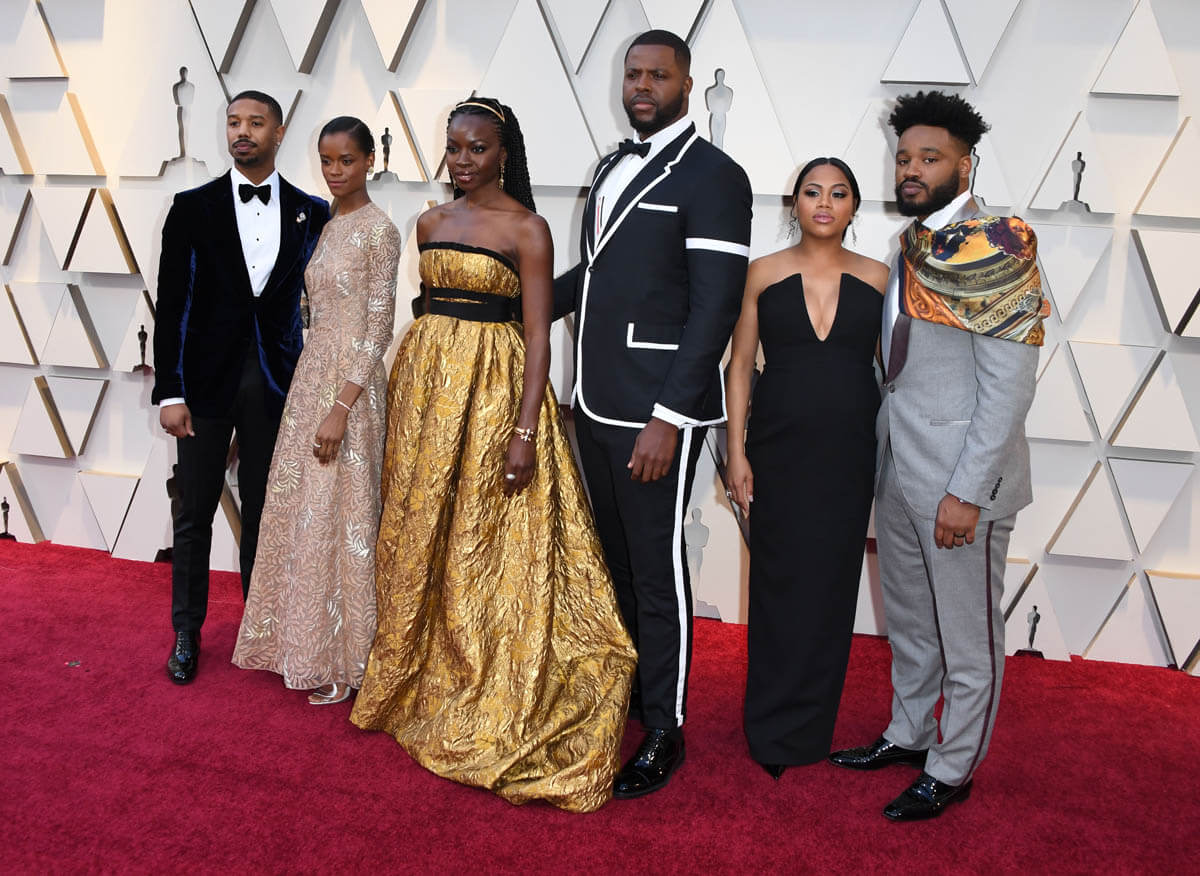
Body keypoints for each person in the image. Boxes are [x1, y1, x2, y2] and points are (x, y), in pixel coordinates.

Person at [349, 97, 636, 813]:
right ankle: (413, 669)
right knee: (421, 531)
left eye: (477, 148)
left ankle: (485, 677)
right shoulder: (429, 222)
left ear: (504, 153)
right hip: (426, 392)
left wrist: (526, 431)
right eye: (454, 147)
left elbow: (538, 335)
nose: (463, 160)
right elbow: (427, 314)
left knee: (485, 536)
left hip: (494, 394)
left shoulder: (527, 229)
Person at [829, 91, 1044, 821]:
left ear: (965, 165)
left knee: (968, 636)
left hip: (960, 482)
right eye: (903, 158)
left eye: (930, 158)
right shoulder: (912, 245)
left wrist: (969, 491)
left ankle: (954, 768)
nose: (911, 170)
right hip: (900, 465)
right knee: (913, 623)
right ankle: (910, 733)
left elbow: (1009, 386)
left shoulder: (999, 246)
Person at [553, 29, 752, 799]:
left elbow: (715, 307)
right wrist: (513, 303)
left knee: (658, 570)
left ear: (686, 84)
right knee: (619, 564)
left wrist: (668, 416)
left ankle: (666, 729)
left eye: (657, 75)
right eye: (633, 74)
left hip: (654, 411)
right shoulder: (611, 166)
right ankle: (634, 698)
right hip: (595, 399)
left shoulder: (715, 176)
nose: (641, 86)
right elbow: (596, 274)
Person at [153, 90, 330, 685]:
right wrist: (170, 392)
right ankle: (186, 632)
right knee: (194, 513)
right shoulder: (191, 207)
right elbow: (172, 306)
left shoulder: (312, 212)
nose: (242, 132)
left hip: (278, 386)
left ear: (278, 133)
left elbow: (325, 305)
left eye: (255, 123)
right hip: (204, 385)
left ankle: (262, 630)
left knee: (266, 513)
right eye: (234, 122)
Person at [725, 157, 887, 778]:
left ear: (854, 206)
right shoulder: (762, 272)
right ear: (794, 202)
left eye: (838, 193)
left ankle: (813, 724)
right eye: (813, 192)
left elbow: (896, 374)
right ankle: (769, 723)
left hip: (849, 451)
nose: (824, 203)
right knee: (777, 584)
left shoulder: (880, 277)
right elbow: (740, 367)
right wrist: (736, 451)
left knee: (832, 585)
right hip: (776, 448)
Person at [232, 117, 399, 704]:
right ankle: (300, 641)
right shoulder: (325, 225)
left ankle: (347, 653)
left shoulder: (380, 231)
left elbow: (379, 327)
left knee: (343, 510)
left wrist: (341, 407)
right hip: (311, 377)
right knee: (304, 509)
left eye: (346, 160)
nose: (334, 171)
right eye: (327, 161)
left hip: (352, 386)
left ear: (370, 160)